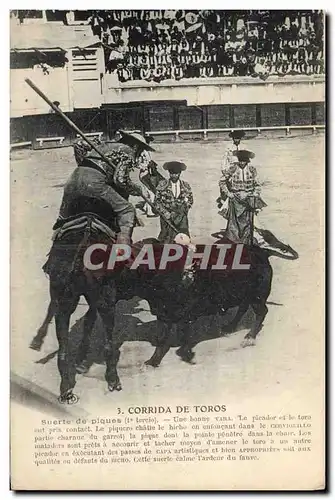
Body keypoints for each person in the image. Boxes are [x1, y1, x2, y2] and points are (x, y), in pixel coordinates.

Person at [56, 132, 154, 247]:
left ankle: (56, 240)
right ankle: (123, 249)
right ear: (136, 146)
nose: (138, 153)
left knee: (63, 218)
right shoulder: (128, 150)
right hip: (94, 185)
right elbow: (120, 180)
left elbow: (78, 144)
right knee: (128, 210)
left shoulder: (102, 146)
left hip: (72, 182)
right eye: (140, 149)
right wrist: (136, 189)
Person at [219, 149, 266, 245]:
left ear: (247, 161)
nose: (241, 162)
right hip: (235, 198)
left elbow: (257, 185)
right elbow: (222, 182)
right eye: (240, 160)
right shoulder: (232, 168)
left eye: (244, 160)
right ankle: (234, 241)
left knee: (248, 221)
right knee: (234, 222)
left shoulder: (252, 170)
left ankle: (247, 241)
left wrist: (254, 194)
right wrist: (228, 193)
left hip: (248, 198)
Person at [154, 161, 193, 243]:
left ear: (180, 173)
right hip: (167, 217)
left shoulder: (186, 185)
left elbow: (190, 200)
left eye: (176, 173)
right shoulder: (162, 185)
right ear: (169, 173)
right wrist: (165, 213)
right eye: (172, 173)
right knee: (166, 238)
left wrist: (182, 210)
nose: (174, 175)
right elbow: (157, 202)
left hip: (181, 217)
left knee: (183, 239)